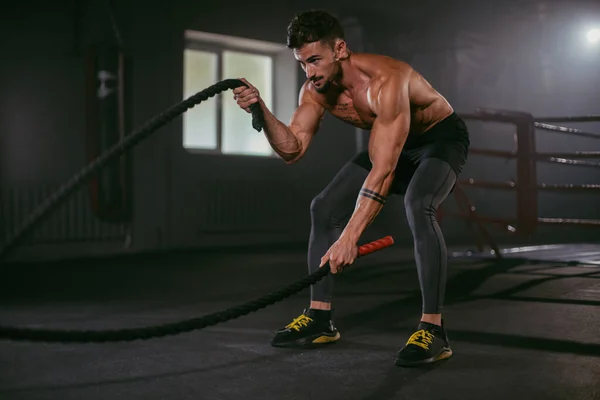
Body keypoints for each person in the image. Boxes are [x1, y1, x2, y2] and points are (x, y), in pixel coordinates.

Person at [232, 9, 469, 367]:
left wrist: (349, 238)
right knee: (323, 208)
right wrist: (261, 110)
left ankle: (433, 330)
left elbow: (384, 170)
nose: (310, 72)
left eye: (315, 60)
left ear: (340, 49)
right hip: (391, 144)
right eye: (302, 63)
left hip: (438, 140)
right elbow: (292, 149)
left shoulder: (387, 80)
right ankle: (319, 318)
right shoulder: (315, 90)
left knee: (418, 204)